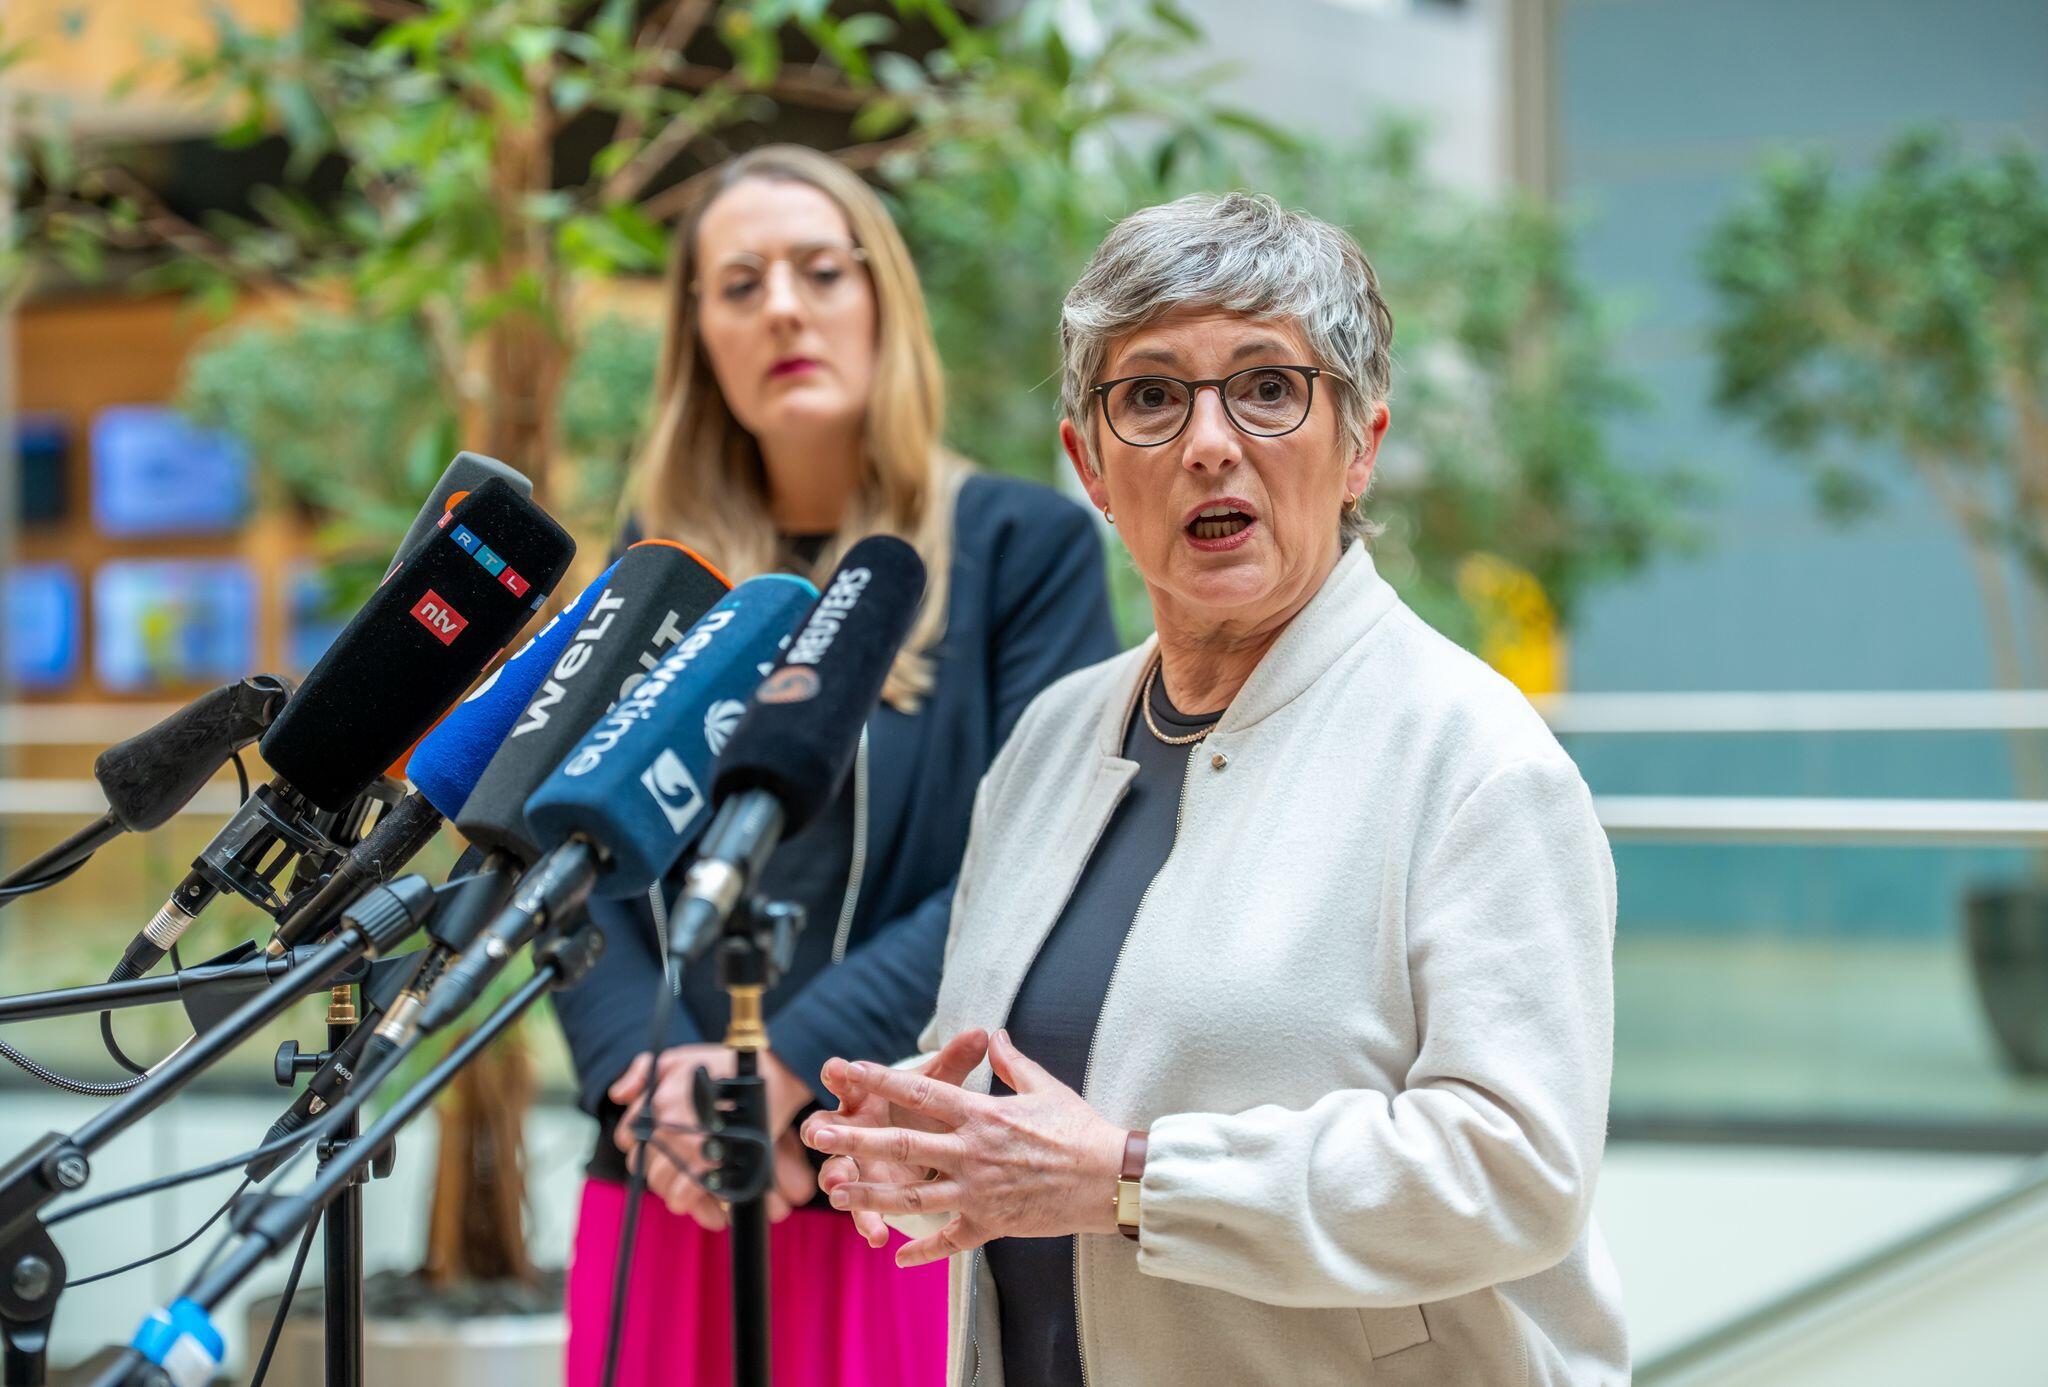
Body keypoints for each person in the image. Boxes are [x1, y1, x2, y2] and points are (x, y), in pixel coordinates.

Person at [802, 192, 1629, 1385]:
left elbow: (1515, 1171)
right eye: (1148, 396)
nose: (1206, 442)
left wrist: (1131, 1179)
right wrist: (928, 1146)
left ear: (1359, 446)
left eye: (1266, 387)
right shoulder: (1049, 739)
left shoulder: (1472, 758)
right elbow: (1008, 1098)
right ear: (1089, 464)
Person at [550, 144, 1120, 1386]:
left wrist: (787, 1071)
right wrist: (645, 1086)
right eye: (738, 283)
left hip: (895, 1182)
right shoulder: (653, 569)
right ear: (697, 334)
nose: (783, 309)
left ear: (881, 302)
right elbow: (571, 859)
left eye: (820, 271)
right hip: (667, 1175)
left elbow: (1036, 857)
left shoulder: (1020, 548)